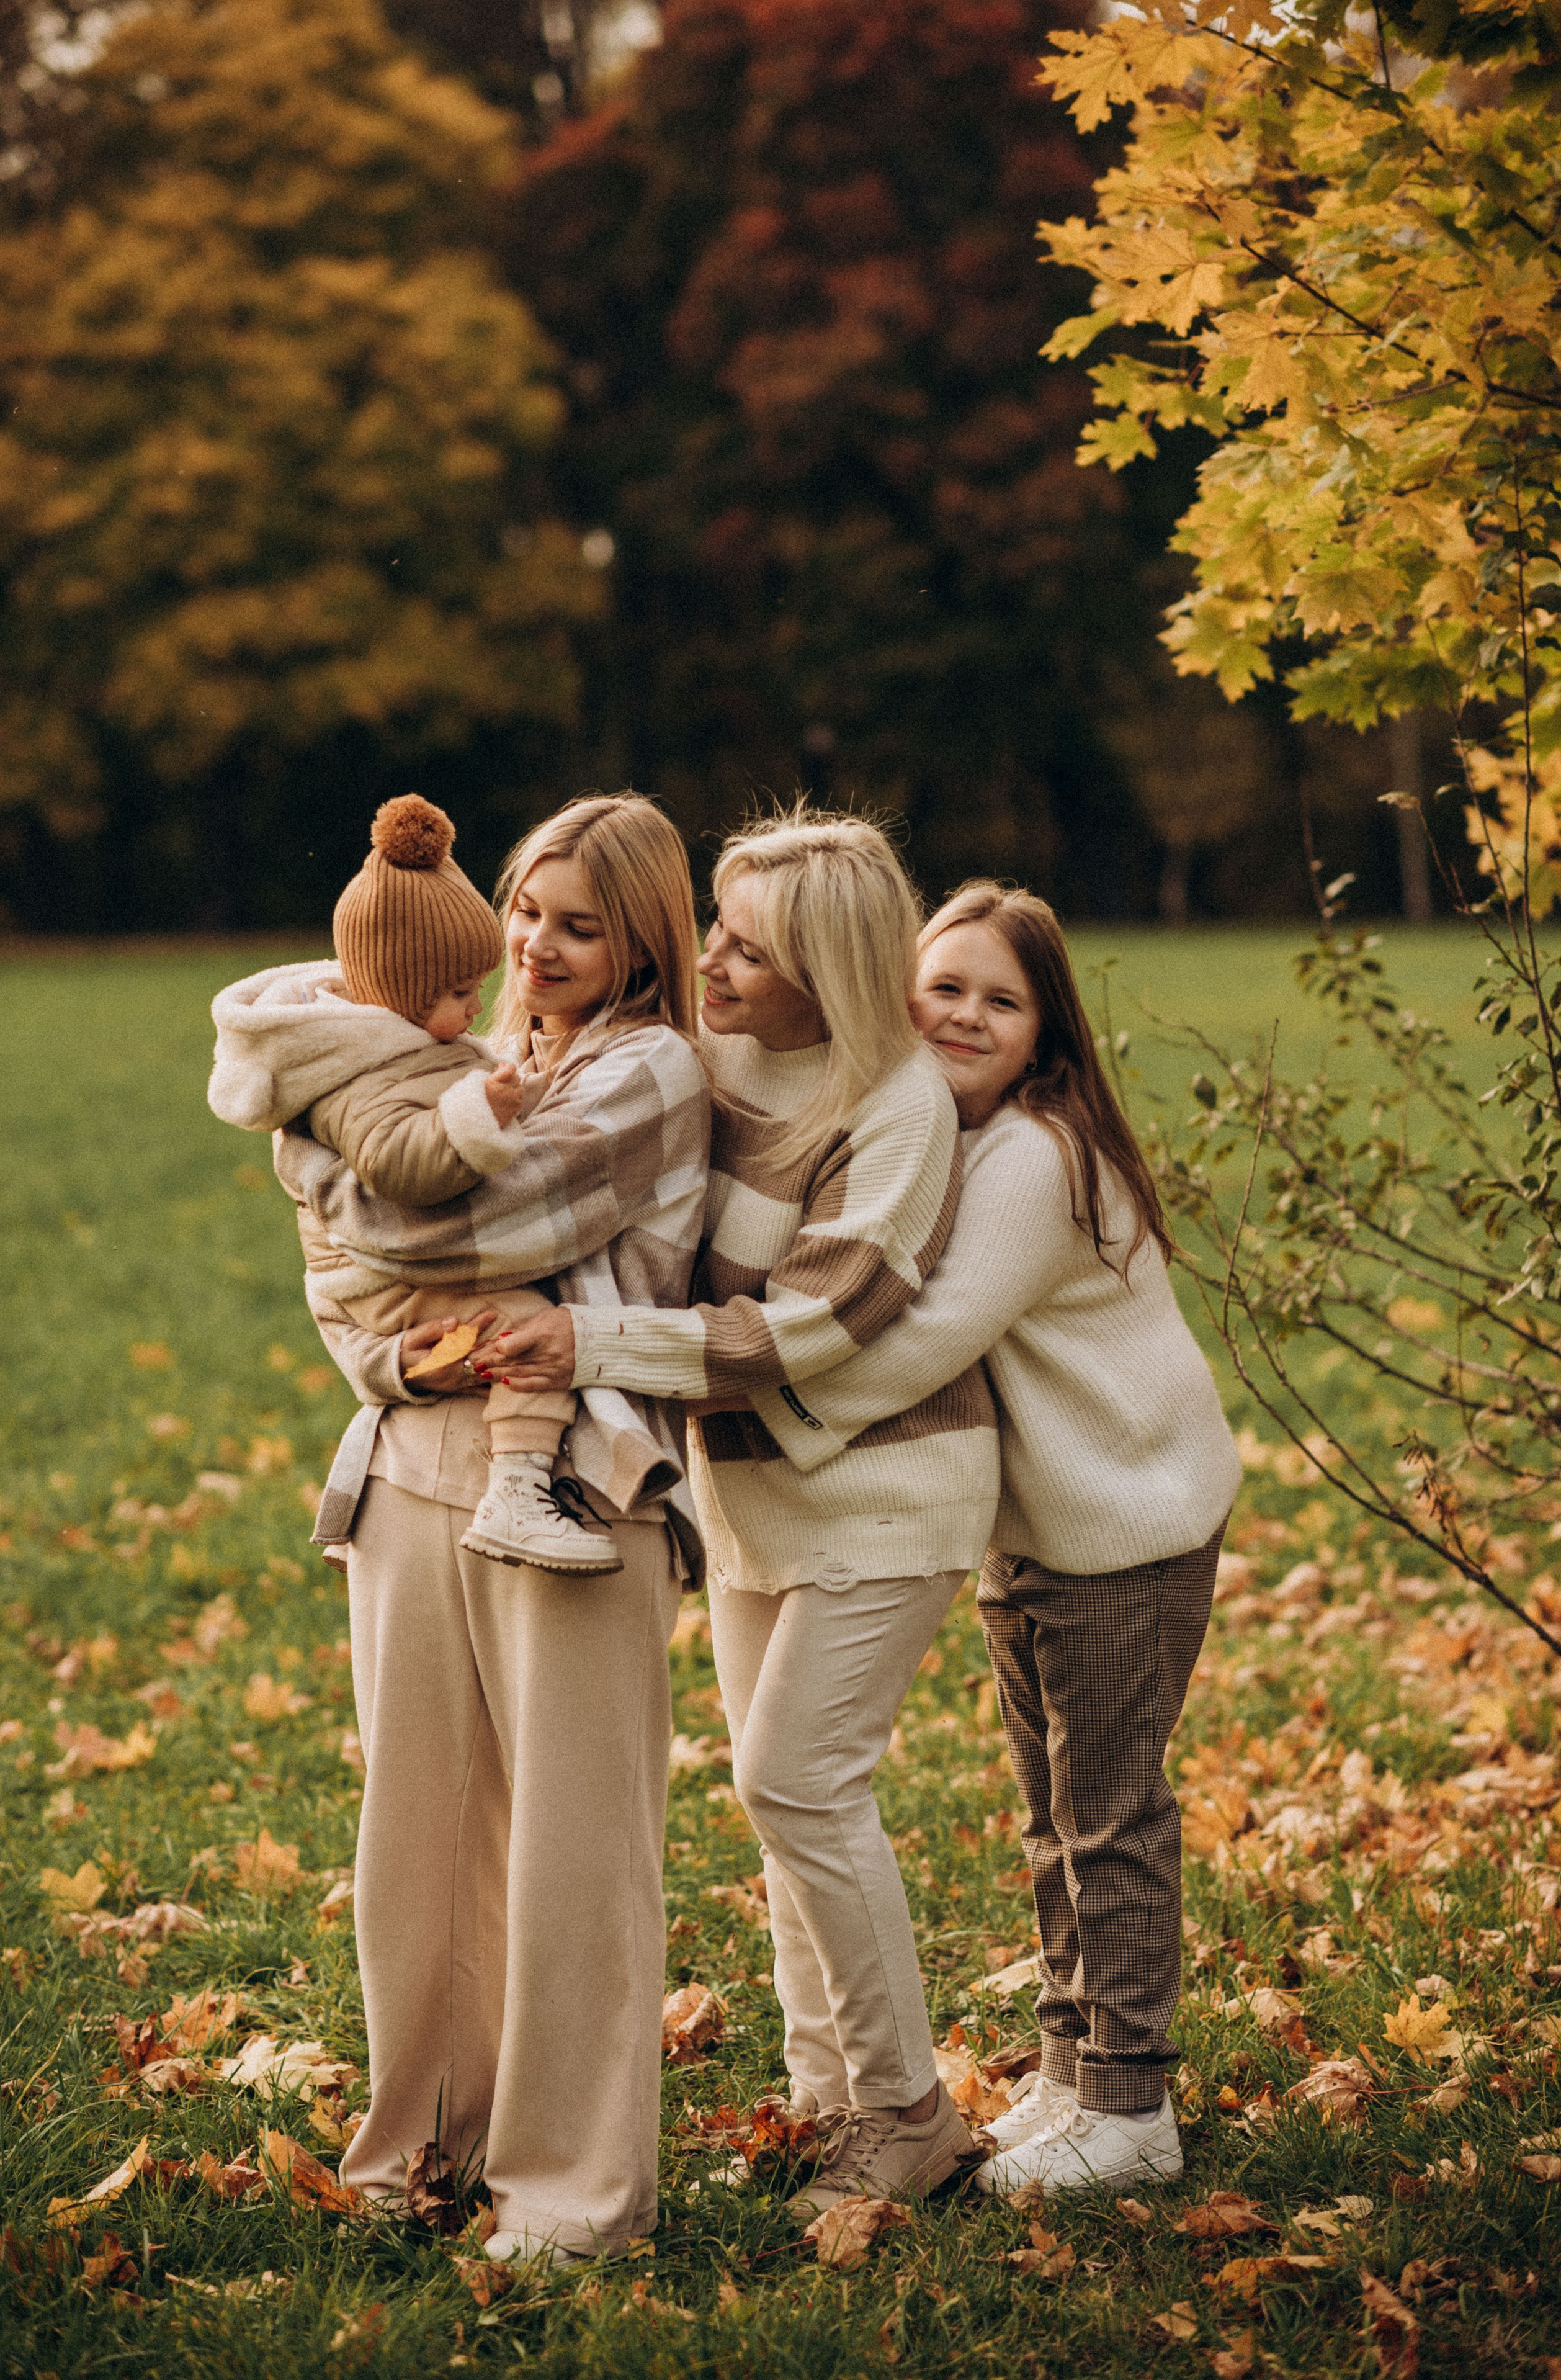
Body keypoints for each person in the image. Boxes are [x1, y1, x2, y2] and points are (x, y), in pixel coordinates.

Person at [486, 809, 1002, 2213]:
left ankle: (906, 2108)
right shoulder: (704, 1056)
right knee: (781, 1806)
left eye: (746, 948)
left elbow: (811, 1324)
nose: (707, 958)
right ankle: (824, 2096)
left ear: (823, 967)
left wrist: (591, 1350)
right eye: (713, 924)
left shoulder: (890, 1104)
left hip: (888, 1493)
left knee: (796, 1780)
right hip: (750, 1489)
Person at [729, 882, 1241, 2196]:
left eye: (998, 1000)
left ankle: (1128, 2109)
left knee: (1106, 1817)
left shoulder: (1029, 1156)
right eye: (940, 986)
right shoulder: (943, 1134)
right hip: (1042, 1531)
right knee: (1052, 1817)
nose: (962, 1014)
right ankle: (1071, 2079)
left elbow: (922, 1339)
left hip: (1123, 1529)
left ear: (1043, 1034)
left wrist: (750, 1401)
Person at [270, 794, 712, 2264]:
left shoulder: (650, 1072)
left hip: (575, 1479)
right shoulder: (477, 1053)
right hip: (406, 1454)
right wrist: (400, 1339)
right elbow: (356, 1298)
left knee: (574, 1846)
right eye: (525, 907)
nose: (536, 943)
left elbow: (427, 1233)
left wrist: (305, 1146)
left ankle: (568, 2190)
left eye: (579, 924)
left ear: (644, 935)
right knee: (417, 1832)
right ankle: (418, 2144)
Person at [208, 792, 619, 1576]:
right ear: (402, 991)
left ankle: (388, 1499)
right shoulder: (362, 1074)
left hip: (371, 1283)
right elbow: (400, 1165)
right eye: (460, 993)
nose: (476, 1010)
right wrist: (476, 1115)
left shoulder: (398, 1044)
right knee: (526, 1325)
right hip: (376, 1281)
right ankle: (519, 1493)